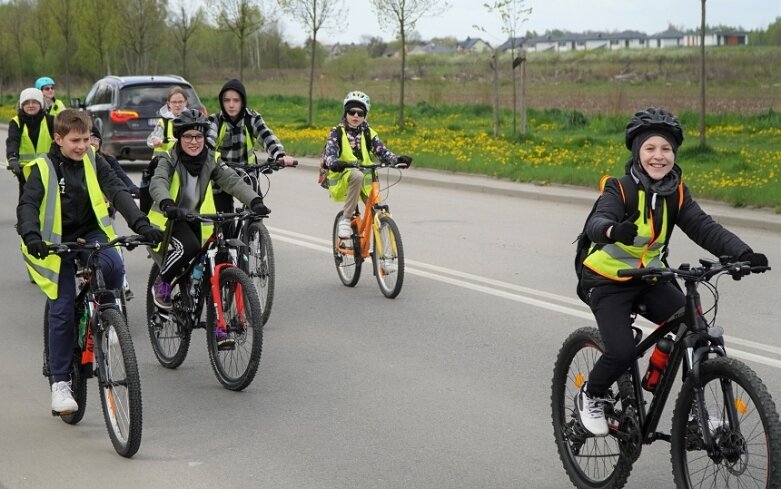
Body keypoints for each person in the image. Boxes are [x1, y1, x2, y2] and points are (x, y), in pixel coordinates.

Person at [575, 107, 769, 437]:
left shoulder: (676, 193)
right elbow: (597, 222)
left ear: (674, 154)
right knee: (621, 352)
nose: (659, 156)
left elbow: (705, 228)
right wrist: (611, 231)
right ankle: (591, 395)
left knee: (698, 331)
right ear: (638, 152)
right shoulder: (619, 189)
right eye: (650, 148)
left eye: (666, 149)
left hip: (650, 278)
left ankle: (697, 413)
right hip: (608, 281)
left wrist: (742, 253)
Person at [16, 109, 163, 415]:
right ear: (59, 139)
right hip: (54, 240)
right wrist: (32, 235)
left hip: (90, 231)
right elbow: (28, 204)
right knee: (62, 303)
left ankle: (106, 320)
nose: (83, 146)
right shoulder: (42, 167)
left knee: (113, 265)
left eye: (86, 139)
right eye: (75, 140)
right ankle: (60, 383)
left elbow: (118, 192)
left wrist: (141, 224)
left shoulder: (94, 160)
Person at [148, 109, 270, 329]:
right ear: (179, 137)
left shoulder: (210, 159)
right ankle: (162, 283)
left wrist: (255, 201)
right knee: (189, 247)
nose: (194, 142)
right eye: (188, 136)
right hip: (171, 220)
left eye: (198, 136)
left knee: (216, 254)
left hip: (197, 219)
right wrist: (167, 204)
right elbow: (158, 182)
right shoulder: (168, 158)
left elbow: (232, 181)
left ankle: (213, 316)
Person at [323, 90, 412, 239]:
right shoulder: (336, 132)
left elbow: (382, 152)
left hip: (366, 179)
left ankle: (383, 249)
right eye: (352, 112)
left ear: (365, 115)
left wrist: (397, 160)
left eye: (360, 113)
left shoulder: (369, 133)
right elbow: (330, 154)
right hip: (344, 176)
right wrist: (334, 162)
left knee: (378, 212)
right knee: (357, 175)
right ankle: (346, 219)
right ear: (346, 113)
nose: (356, 116)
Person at [207, 78, 296, 214]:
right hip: (222, 176)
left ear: (242, 102)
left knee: (257, 210)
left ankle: (255, 232)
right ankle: (225, 234)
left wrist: (280, 155)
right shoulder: (215, 121)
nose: (231, 105)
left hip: (247, 173)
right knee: (223, 218)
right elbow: (209, 142)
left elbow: (267, 136)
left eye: (236, 100)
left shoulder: (252, 118)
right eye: (227, 100)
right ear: (222, 102)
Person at [90, 124, 140, 300]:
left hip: (105, 214)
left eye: (94, 139)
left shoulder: (107, 160)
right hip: (83, 217)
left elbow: (121, 179)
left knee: (115, 247)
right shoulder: (76, 161)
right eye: (87, 138)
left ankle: (123, 284)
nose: (91, 142)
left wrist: (135, 190)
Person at [6, 88, 55, 196]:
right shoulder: (16, 122)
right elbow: (13, 141)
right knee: (26, 200)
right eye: (26, 102)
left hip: (47, 169)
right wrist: (12, 158)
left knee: (49, 200)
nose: (30, 105)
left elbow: (62, 138)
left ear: (41, 104)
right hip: (25, 171)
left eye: (34, 102)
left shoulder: (50, 120)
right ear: (21, 105)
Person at [146, 86, 189, 155]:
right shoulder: (163, 121)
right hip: (165, 162)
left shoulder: (192, 120)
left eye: (180, 102)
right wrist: (156, 142)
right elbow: (150, 141)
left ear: (185, 102)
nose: (177, 105)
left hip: (185, 162)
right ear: (169, 103)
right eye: (174, 102)